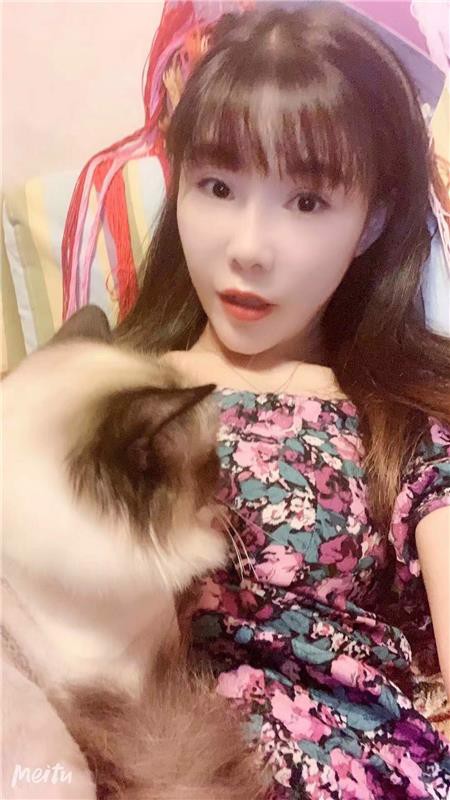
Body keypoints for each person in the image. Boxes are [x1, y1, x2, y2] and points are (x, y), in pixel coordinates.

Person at [112, 3, 450, 797]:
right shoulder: (108, 395)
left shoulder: (403, 413)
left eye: (307, 202)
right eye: (218, 186)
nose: (249, 249)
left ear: (373, 220)